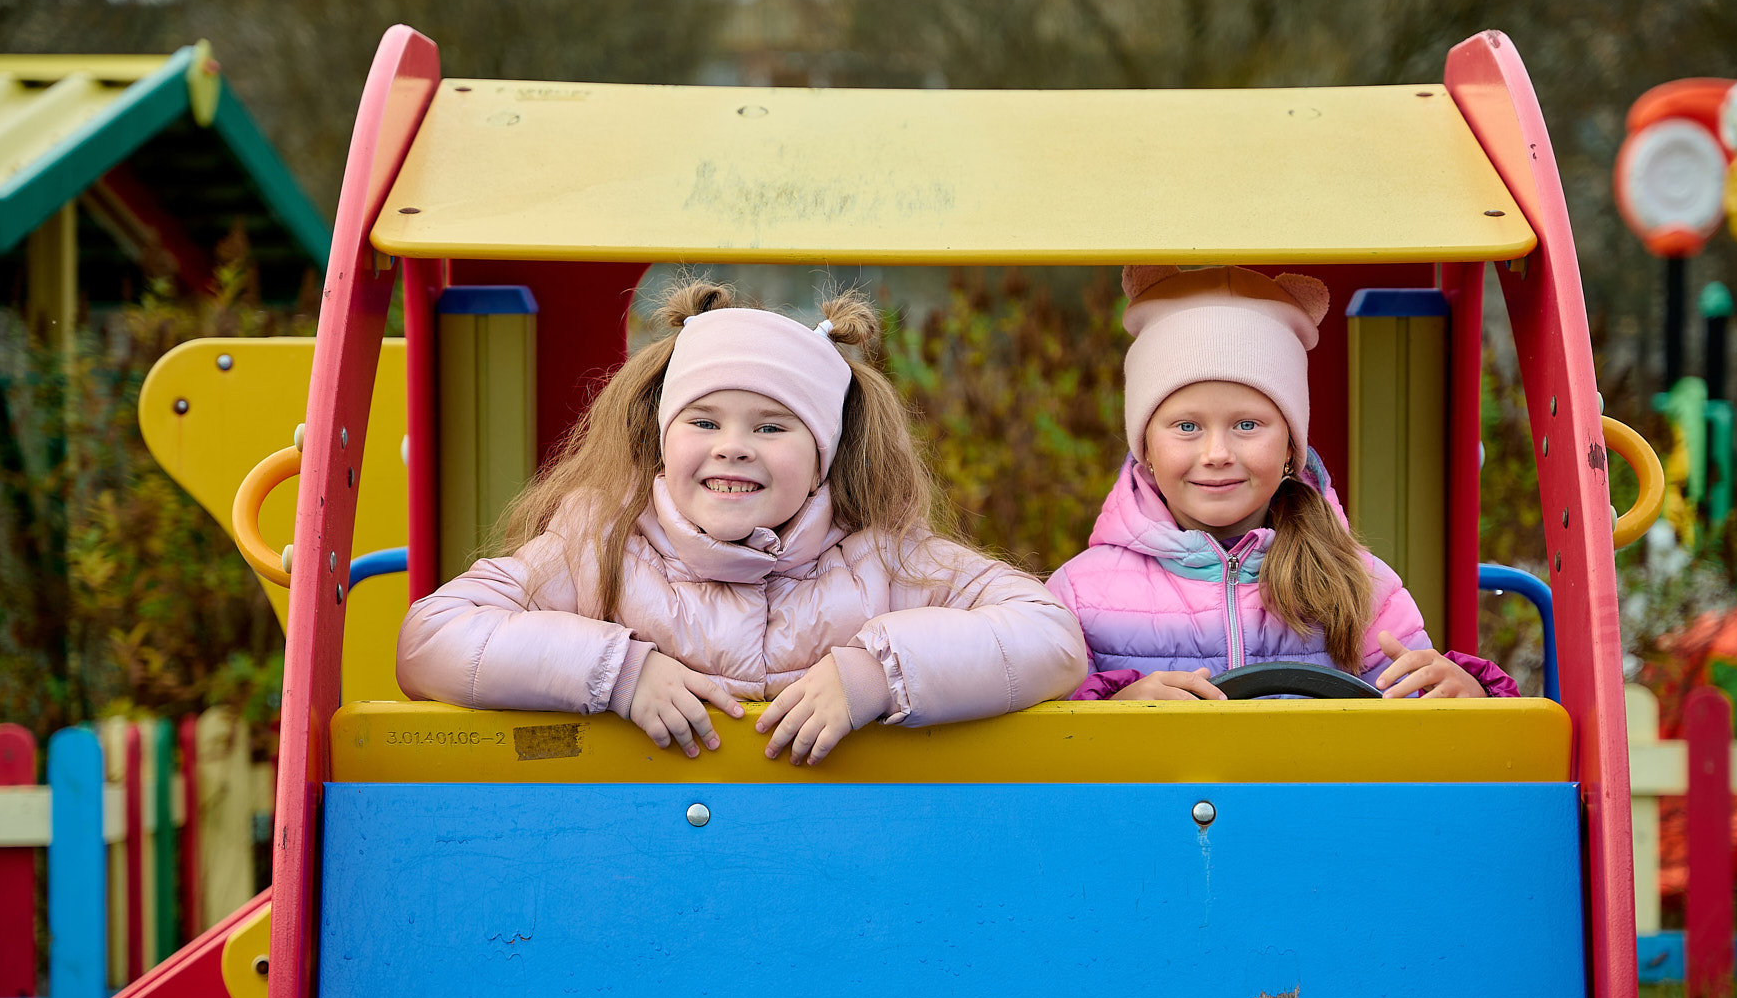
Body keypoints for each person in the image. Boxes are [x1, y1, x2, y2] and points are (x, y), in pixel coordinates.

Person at [397, 280, 1087, 763]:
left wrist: (876, 674)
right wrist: (618, 672)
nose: (733, 446)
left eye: (770, 426)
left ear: (822, 458)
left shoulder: (885, 557)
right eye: (704, 421)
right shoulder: (601, 546)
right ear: (662, 439)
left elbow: (1050, 635)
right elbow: (431, 638)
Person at [1047, 265, 1518, 702]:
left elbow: (1425, 736)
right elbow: (1043, 748)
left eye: (1247, 425)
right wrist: (1111, 711)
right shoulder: (1080, 595)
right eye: (1187, 426)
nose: (1217, 453)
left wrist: (1469, 701)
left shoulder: (1362, 586)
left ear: (1291, 446)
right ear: (1145, 447)